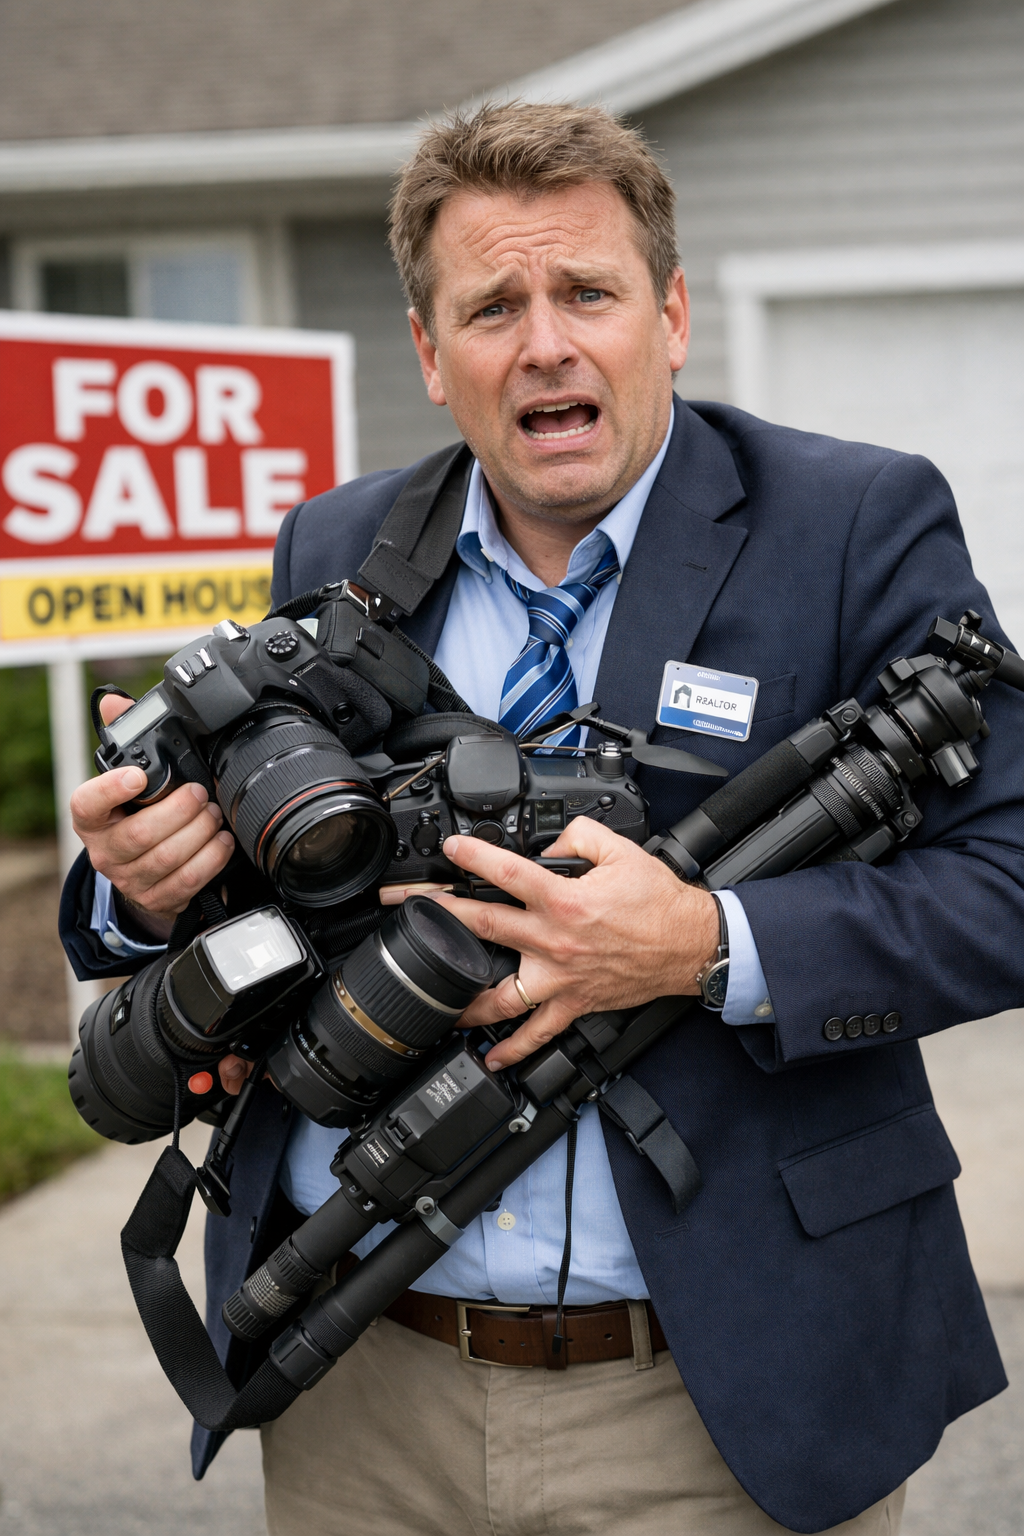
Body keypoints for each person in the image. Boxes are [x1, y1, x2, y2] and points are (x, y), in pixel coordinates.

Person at [60, 103, 1024, 1536]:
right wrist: (141, 885)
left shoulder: (851, 521)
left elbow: (1007, 879)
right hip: (362, 1387)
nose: (547, 343)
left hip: (719, 1393)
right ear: (431, 355)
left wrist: (706, 942)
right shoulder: (337, 545)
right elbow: (278, 861)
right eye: (492, 306)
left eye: (588, 292)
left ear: (673, 314)